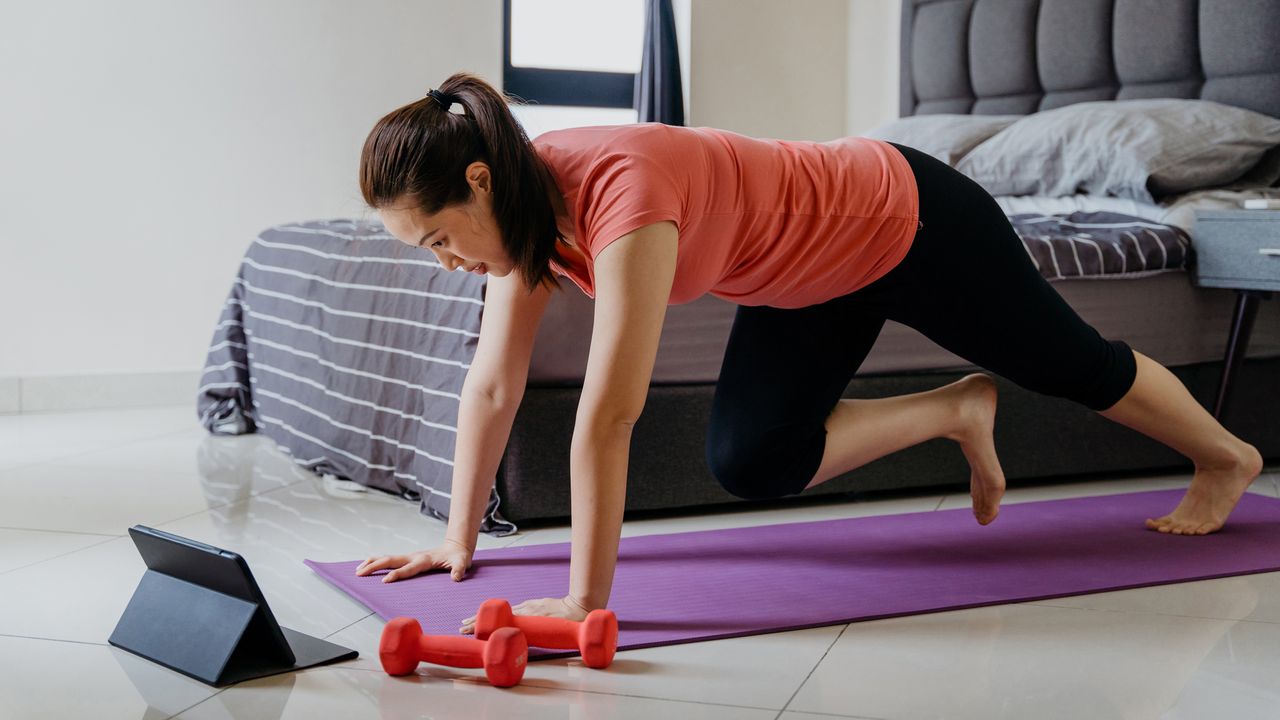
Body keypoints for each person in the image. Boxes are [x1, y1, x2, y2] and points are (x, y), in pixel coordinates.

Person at [353, 73, 1264, 633]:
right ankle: (956, 408)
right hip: (808, 276)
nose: (447, 262)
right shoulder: (518, 210)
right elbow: (492, 384)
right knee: (753, 459)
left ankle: (1227, 455)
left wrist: (583, 600)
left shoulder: (619, 192)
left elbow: (612, 412)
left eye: (437, 238)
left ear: (477, 179)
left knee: (1069, 366)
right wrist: (455, 540)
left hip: (908, 220)